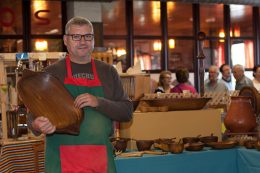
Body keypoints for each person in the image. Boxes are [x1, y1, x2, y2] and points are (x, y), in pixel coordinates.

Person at [28, 16, 133, 173]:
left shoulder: (108, 72)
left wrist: (98, 102)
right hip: (61, 161)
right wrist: (37, 124)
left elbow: (127, 112)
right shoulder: (52, 73)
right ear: (65, 40)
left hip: (100, 161)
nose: (82, 41)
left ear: (93, 39)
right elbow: (32, 116)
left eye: (87, 36)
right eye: (76, 37)